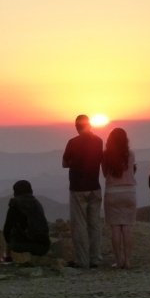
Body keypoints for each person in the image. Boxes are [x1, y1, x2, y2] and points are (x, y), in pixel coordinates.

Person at [61, 114, 104, 268]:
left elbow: (65, 163)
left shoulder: (73, 142)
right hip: (95, 186)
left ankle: (82, 260)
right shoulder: (99, 141)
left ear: (77, 127)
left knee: (79, 225)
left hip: (78, 188)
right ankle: (95, 259)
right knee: (94, 224)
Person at [102, 127, 137, 269]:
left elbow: (105, 174)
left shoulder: (105, 155)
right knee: (127, 228)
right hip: (129, 192)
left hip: (112, 193)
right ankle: (128, 260)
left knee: (115, 228)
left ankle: (119, 260)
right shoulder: (131, 154)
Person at [0, 179, 51, 263]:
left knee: (9, 231)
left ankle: (7, 258)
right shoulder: (37, 203)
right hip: (43, 248)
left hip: (21, 246)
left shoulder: (15, 204)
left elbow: (7, 230)